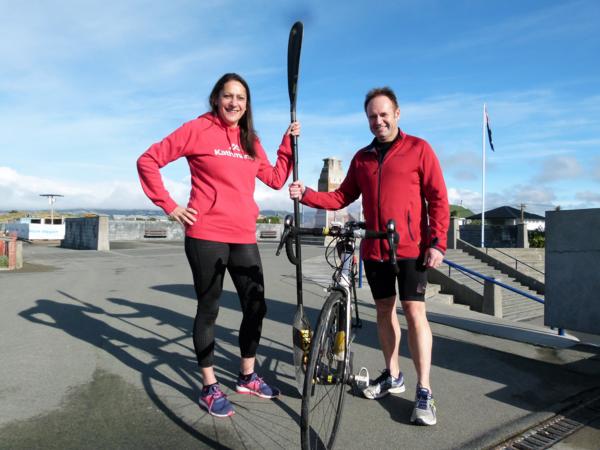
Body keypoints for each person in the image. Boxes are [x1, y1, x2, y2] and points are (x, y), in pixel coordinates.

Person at [138, 73, 300, 418]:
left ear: (247, 104)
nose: (234, 103)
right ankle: (210, 386)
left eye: (241, 97)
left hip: (243, 235)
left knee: (255, 307)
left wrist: (287, 143)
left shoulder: (249, 138)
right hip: (206, 234)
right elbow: (148, 160)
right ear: (216, 98)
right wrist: (170, 206)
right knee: (209, 308)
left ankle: (247, 375)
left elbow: (273, 178)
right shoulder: (197, 129)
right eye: (228, 96)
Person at [289, 87, 448, 426]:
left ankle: (424, 390)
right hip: (374, 247)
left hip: (410, 249)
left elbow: (438, 199)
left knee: (415, 314)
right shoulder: (362, 158)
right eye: (372, 116)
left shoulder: (419, 149)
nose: (378, 121)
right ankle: (393, 374)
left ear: (397, 113)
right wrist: (307, 196)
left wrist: (437, 242)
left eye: (384, 114)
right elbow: (343, 196)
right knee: (383, 311)